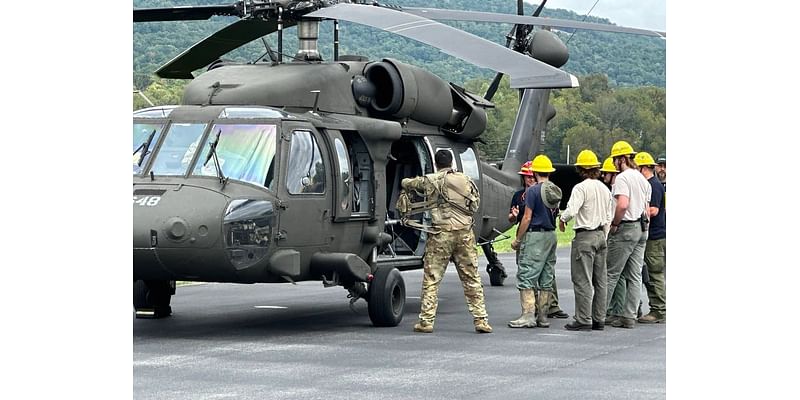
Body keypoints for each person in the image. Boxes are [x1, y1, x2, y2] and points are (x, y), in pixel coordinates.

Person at [402, 150, 492, 334]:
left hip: (441, 234)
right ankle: (481, 320)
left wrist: (405, 181)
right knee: (472, 278)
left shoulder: (431, 180)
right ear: (451, 163)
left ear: (436, 164)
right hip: (465, 234)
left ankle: (426, 321)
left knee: (432, 279)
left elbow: (409, 184)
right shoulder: (466, 180)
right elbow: (474, 205)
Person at [558, 150, 614, 331]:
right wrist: (603, 234)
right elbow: (608, 216)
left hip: (585, 236)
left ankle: (583, 318)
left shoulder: (581, 188)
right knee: (601, 280)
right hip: (600, 235)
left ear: (580, 169)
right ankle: (599, 318)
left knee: (582, 279)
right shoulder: (605, 189)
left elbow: (572, 209)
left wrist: (563, 219)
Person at [508, 161, 568, 323]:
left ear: (535, 172)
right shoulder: (555, 190)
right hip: (550, 234)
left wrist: (518, 239)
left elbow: (527, 218)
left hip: (535, 235)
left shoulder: (533, 191)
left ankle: (528, 316)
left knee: (526, 274)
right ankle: (542, 316)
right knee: (546, 275)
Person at [605, 141, 651, 329]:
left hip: (626, 228)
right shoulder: (642, 179)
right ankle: (629, 316)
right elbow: (647, 209)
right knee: (634, 275)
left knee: (611, 273)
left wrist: (615, 224)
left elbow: (622, 204)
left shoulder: (623, 178)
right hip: (642, 228)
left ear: (622, 159)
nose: (614, 163)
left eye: (616, 159)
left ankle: (597, 314)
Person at [634, 152, 667, 324]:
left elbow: (653, 210)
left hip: (654, 237)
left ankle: (659, 310)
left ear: (643, 168)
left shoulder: (653, 186)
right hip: (654, 236)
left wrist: (636, 211)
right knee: (650, 273)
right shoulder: (653, 184)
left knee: (654, 274)